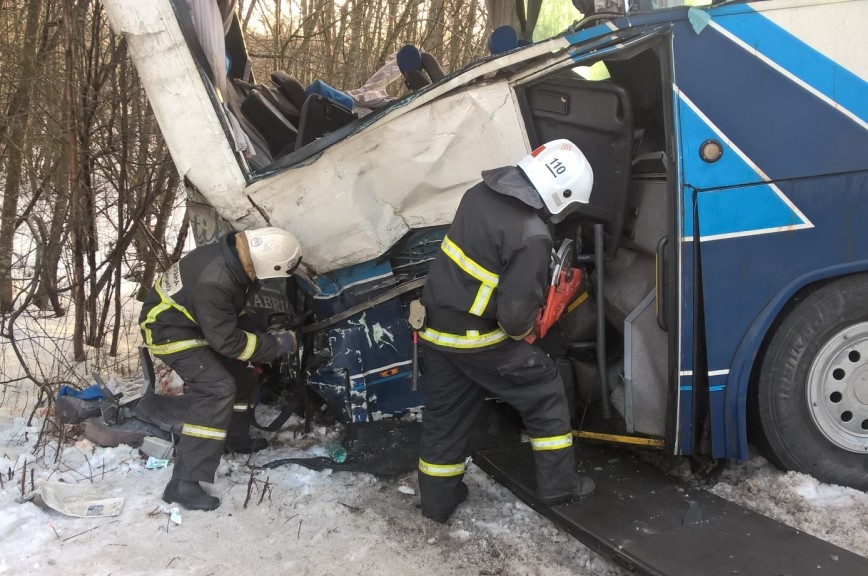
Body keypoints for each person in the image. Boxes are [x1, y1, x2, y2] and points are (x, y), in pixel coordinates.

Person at [417, 139, 596, 522]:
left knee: (445, 418)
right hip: (478, 341)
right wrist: (537, 322)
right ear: (560, 194)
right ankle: (560, 487)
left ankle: (437, 502)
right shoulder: (532, 234)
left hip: (434, 331)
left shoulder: (477, 194)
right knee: (545, 389)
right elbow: (515, 321)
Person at [136, 226, 302, 511]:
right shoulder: (216, 278)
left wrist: (262, 337)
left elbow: (226, 319)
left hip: (193, 324)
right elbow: (228, 342)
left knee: (243, 376)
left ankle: (234, 439)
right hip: (168, 331)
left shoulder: (230, 256)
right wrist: (276, 345)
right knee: (217, 390)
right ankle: (183, 483)